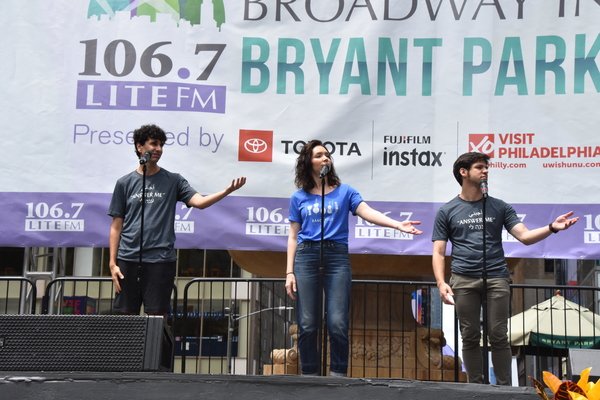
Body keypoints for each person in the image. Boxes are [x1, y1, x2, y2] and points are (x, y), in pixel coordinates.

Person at [432, 151, 578, 385]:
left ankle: (502, 388)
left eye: (486, 167)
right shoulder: (447, 211)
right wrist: (441, 282)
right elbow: (439, 251)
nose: (485, 171)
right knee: (469, 336)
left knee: (499, 335)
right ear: (464, 172)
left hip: (497, 278)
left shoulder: (499, 206)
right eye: (480, 167)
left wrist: (552, 227)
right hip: (463, 279)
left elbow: (526, 236)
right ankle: (476, 387)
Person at [285, 140, 423, 377]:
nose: (325, 158)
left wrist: (397, 224)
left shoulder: (345, 191)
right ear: (308, 162)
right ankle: (309, 376)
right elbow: (292, 236)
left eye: (327, 155)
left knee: (337, 322)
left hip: (336, 257)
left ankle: (338, 374)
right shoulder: (299, 197)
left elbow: (367, 212)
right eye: (319, 155)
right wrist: (289, 272)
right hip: (306, 256)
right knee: (308, 324)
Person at [108, 124, 246, 316]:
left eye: (161, 145)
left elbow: (201, 202)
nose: (158, 149)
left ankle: (156, 348)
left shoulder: (173, 180)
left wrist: (227, 191)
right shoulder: (124, 183)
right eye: (153, 144)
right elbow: (116, 226)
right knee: (125, 318)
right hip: (128, 259)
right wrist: (113, 263)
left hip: (160, 260)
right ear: (140, 147)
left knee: (157, 318)